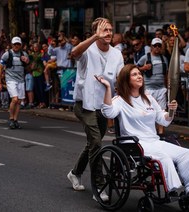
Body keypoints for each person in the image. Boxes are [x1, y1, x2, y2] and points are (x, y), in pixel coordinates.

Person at [97, 64, 189, 199]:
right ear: (126, 80)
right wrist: (108, 88)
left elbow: (163, 120)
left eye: (139, 74)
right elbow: (108, 112)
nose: (139, 76)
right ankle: (172, 189)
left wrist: (171, 111)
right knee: (163, 157)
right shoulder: (120, 101)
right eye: (134, 74)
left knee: (186, 153)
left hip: (153, 140)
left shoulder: (148, 98)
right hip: (134, 144)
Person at [67, 17, 124, 200]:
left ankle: (75, 173)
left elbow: (121, 79)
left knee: (93, 143)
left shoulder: (117, 54)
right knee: (97, 143)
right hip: (85, 105)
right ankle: (99, 186)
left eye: (110, 30)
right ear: (95, 32)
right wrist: (93, 38)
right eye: (104, 30)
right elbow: (73, 53)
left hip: (104, 106)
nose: (108, 33)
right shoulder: (87, 50)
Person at [0, 36, 30, 129]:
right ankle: (11, 119)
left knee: (19, 101)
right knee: (14, 99)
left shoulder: (24, 54)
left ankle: (15, 120)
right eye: (15, 44)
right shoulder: (7, 54)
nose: (16, 46)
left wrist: (27, 62)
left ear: (21, 45)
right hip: (10, 79)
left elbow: (28, 68)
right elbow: (0, 68)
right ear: (12, 44)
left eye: (18, 44)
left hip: (21, 80)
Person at [137, 37, 168, 135]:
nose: (157, 48)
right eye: (155, 46)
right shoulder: (145, 57)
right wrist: (144, 68)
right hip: (149, 88)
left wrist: (167, 86)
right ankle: (148, 130)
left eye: (159, 45)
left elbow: (166, 74)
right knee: (148, 109)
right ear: (151, 47)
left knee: (162, 109)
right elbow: (135, 68)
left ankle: (161, 131)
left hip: (161, 88)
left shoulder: (164, 58)